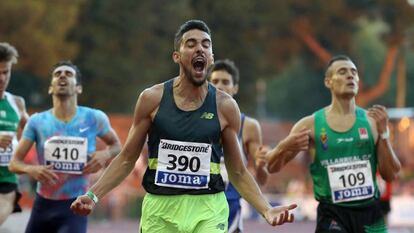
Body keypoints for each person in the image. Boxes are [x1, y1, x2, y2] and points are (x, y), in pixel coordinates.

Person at [70, 19, 296, 233]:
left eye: (206, 45)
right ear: (177, 56)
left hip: (209, 208)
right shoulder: (152, 99)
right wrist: (93, 195)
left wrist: (266, 208)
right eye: (191, 44)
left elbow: (237, 171)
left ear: (211, 57)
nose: (200, 49)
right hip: (160, 210)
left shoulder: (226, 107)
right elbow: (127, 158)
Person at [264, 55, 401, 233]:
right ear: (328, 82)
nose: (350, 76)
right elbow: (272, 167)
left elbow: (390, 175)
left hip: (371, 212)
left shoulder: (373, 122)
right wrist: (285, 145)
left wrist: (384, 134)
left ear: (358, 80)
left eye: (354, 72)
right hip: (333, 214)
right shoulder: (310, 124)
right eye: (342, 72)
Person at [9, 60, 121, 233]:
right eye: (57, 74)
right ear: (50, 88)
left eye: (69, 74)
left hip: (75, 205)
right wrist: (32, 170)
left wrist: (105, 154)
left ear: (78, 88)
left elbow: (117, 146)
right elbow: (14, 163)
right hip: (43, 204)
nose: (62, 75)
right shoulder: (37, 121)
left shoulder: (94, 118)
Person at [208, 59, 268, 233]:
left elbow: (262, 179)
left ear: (235, 88)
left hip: (230, 208)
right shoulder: (194, 121)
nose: (220, 86)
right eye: (215, 81)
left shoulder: (249, 126)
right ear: (208, 85)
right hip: (199, 204)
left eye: (226, 82)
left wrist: (262, 166)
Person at [0, 42, 29, 225]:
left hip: (6, 182)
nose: (2, 78)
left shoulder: (17, 103)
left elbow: (35, 132)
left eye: (6, 72)